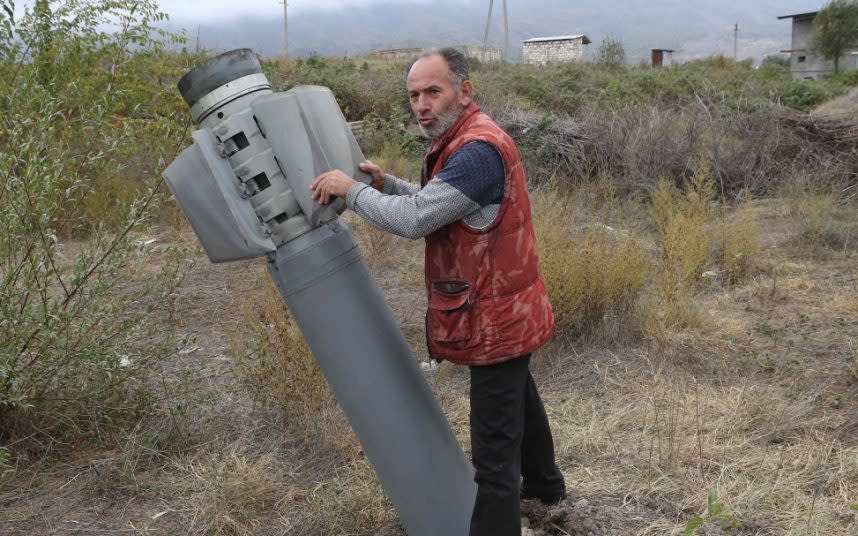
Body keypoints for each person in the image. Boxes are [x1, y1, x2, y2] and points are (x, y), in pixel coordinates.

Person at [310, 47, 565, 536]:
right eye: (413, 95)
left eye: (433, 91)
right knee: (518, 396)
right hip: (511, 306)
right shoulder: (468, 141)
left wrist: (353, 190)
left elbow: (417, 219)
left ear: (463, 91)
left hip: (495, 319)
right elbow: (446, 203)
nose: (422, 104)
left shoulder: (476, 152)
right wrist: (387, 184)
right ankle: (547, 489)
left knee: (493, 456)